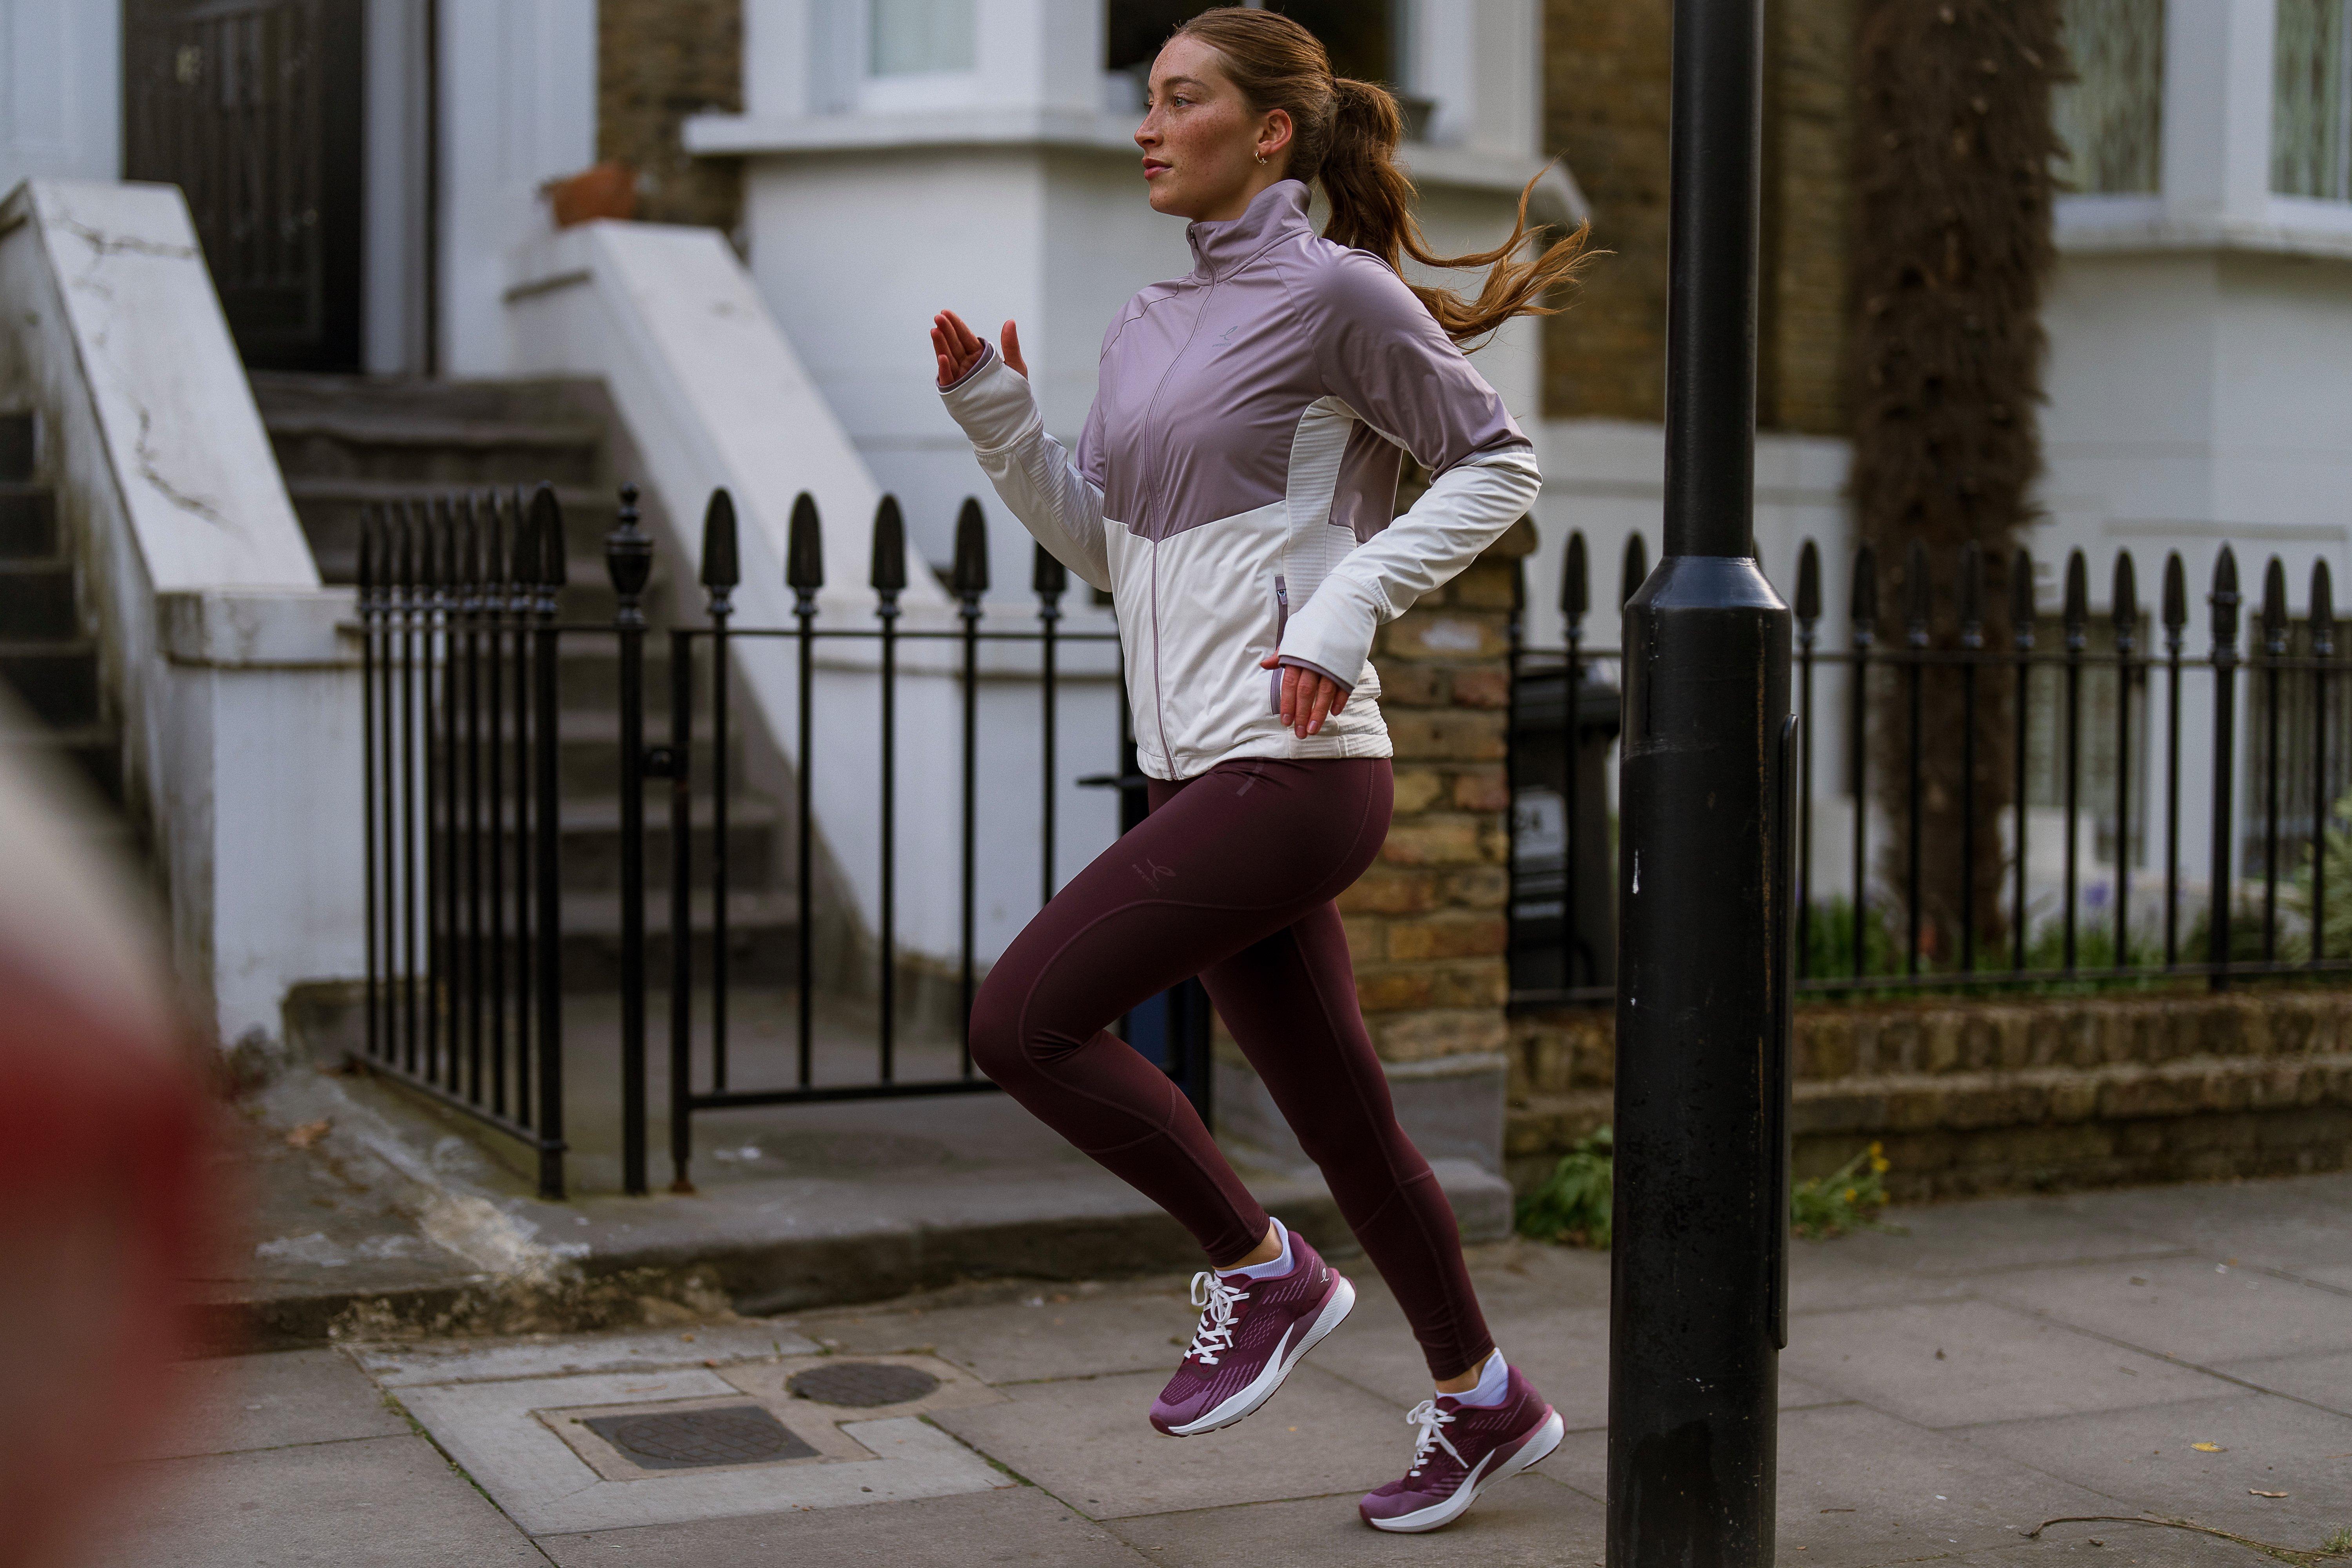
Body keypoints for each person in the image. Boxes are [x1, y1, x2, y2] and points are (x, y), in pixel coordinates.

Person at [929, 7, 1586, 1534]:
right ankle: (1486, 1395)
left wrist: (1349, 604)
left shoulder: (1339, 297)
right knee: (1347, 1121)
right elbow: (1117, 552)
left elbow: (1498, 460)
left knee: (1020, 1020)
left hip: (1291, 768)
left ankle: (1261, 1269)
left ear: (1271, 131)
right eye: (1146, 101)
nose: (1148, 126)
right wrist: (1004, 431)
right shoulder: (1149, 323)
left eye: (1183, 99)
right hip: (1198, 772)